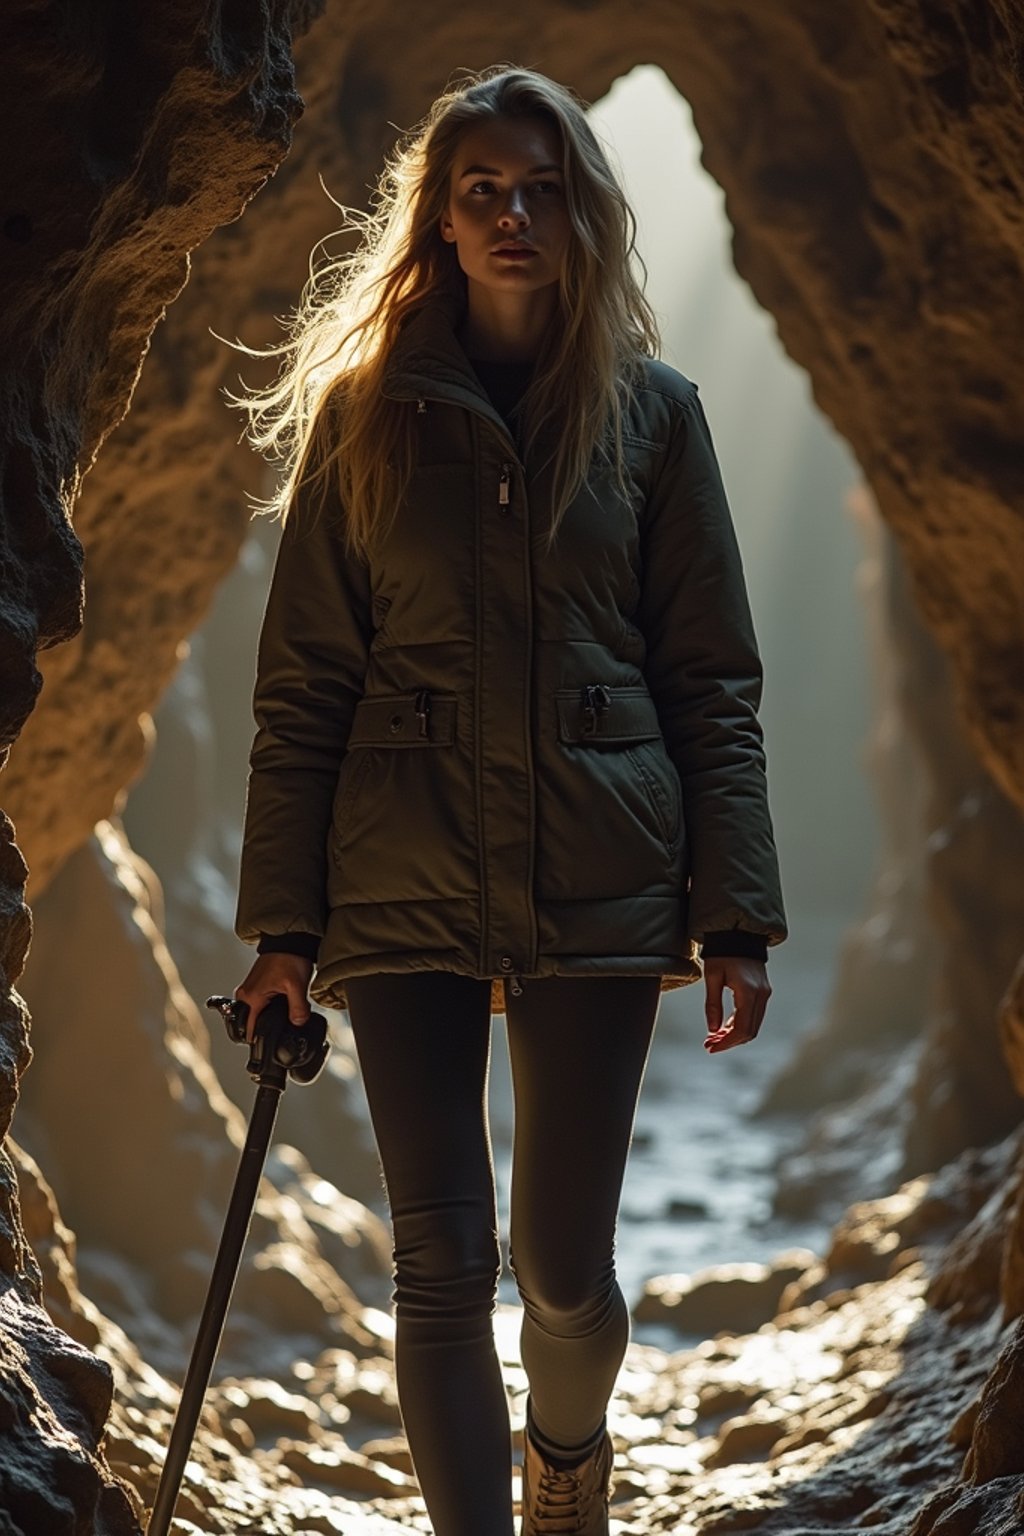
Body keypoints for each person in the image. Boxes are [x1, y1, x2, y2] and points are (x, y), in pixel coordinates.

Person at [231, 64, 786, 1536]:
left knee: (560, 1269)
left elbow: (711, 681)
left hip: (601, 869)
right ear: (442, 219)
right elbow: (303, 696)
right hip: (397, 868)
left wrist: (735, 914)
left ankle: (566, 1466)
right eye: (484, 189)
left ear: (585, 213)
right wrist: (281, 926)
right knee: (438, 1260)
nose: (515, 212)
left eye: (543, 186)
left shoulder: (655, 421)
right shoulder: (360, 423)